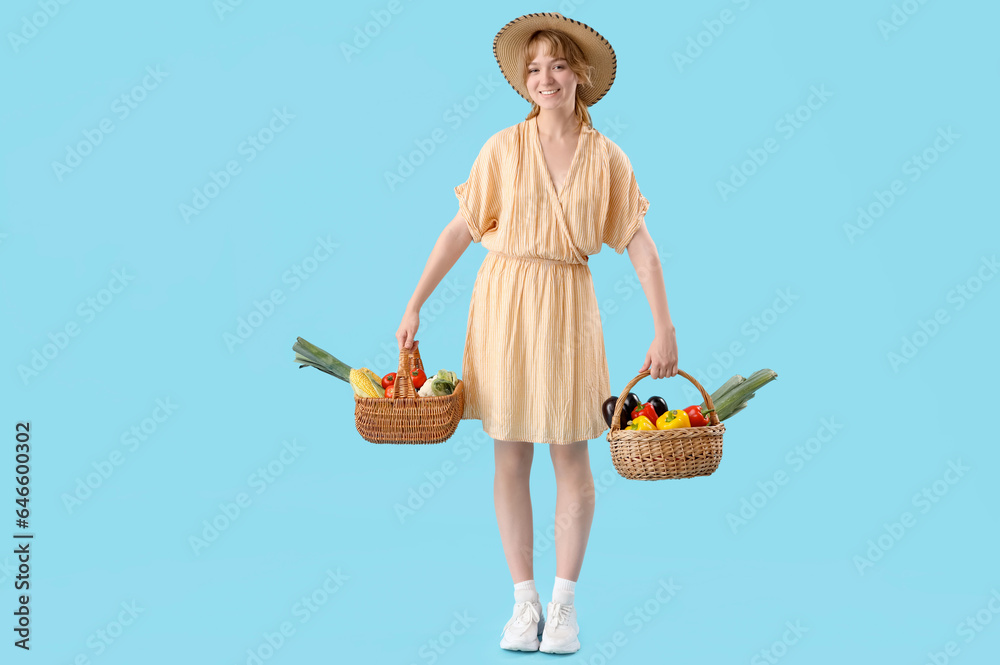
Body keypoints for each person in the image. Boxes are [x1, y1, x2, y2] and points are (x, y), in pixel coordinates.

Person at [395, 12, 677, 654]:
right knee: (509, 451)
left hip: (569, 305)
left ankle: (566, 605)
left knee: (573, 454)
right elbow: (459, 230)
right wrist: (415, 303)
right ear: (524, 82)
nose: (544, 78)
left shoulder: (608, 159)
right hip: (504, 302)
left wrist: (664, 326)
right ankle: (523, 604)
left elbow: (642, 249)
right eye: (533, 68)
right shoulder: (501, 148)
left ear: (579, 75)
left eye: (556, 66)